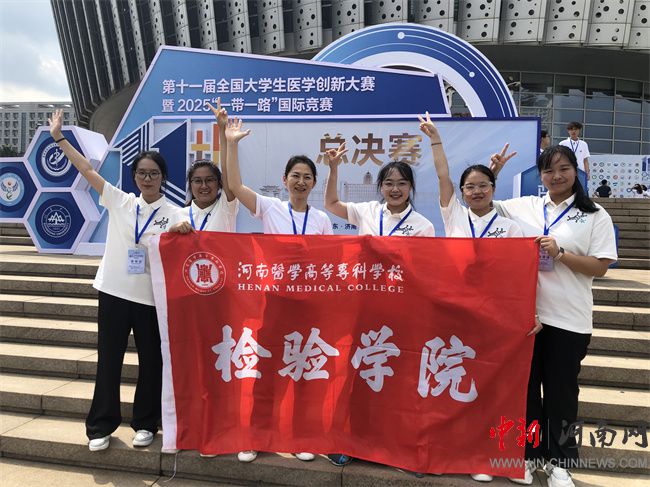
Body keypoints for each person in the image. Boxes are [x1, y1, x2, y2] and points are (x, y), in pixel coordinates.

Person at [48, 109, 179, 452]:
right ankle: (100, 426)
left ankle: (145, 423)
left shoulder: (176, 214)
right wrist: (59, 137)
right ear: (134, 176)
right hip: (113, 292)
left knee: (152, 362)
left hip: (151, 299)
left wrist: (184, 231)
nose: (147, 178)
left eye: (153, 173)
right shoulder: (120, 201)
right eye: (141, 173)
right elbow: (87, 170)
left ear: (163, 177)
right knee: (109, 360)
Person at [489, 145, 617, 487]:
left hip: (569, 319)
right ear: (541, 175)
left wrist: (561, 254)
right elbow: (484, 206)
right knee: (528, 394)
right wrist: (494, 172)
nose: (556, 176)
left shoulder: (595, 215)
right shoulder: (527, 206)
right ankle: (529, 456)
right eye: (548, 170)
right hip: (527, 319)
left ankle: (560, 463)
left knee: (562, 394)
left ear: (576, 171)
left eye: (563, 169)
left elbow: (600, 267)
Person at [225, 116, 332, 463]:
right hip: (274, 302)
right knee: (267, 370)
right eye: (295, 176)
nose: (301, 181)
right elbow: (235, 185)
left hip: (308, 307)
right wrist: (231, 143)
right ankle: (256, 436)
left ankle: (300, 437)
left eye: (307, 177)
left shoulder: (322, 220)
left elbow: (328, 264)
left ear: (314, 183)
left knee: (304, 372)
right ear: (284, 180)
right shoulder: (270, 208)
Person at [418, 113, 523, 242]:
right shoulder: (454, 215)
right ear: (462, 191)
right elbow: (443, 175)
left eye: (483, 186)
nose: (477, 191)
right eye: (470, 187)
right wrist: (435, 139)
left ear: (493, 188)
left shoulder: (510, 227)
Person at [324, 145, 435, 238]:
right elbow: (331, 204)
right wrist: (333, 169)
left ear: (410, 186)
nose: (395, 189)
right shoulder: (368, 211)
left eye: (401, 183)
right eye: (389, 184)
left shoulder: (423, 226)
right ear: (381, 186)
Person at [170, 101, 238, 235]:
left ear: (219, 183)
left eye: (209, 180)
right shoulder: (177, 215)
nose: (204, 186)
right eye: (197, 181)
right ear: (190, 184)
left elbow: (227, 169)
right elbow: (165, 244)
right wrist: (172, 231)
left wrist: (222, 128)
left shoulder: (226, 207)